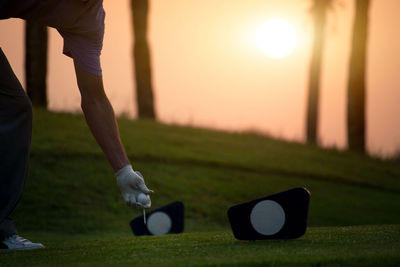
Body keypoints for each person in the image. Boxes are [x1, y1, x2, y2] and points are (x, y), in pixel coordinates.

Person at [0, 0, 153, 251]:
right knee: (11, 107)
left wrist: (123, 171)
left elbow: (94, 98)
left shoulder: (88, 19)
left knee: (12, 107)